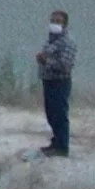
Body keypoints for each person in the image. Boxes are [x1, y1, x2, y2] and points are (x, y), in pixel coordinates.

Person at [36, 10, 76, 157]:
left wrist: (46, 62)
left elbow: (65, 65)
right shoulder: (51, 39)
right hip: (49, 81)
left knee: (60, 114)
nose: (54, 24)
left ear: (65, 24)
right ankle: (55, 142)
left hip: (60, 82)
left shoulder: (68, 42)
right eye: (52, 21)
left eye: (58, 21)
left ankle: (62, 147)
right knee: (51, 114)